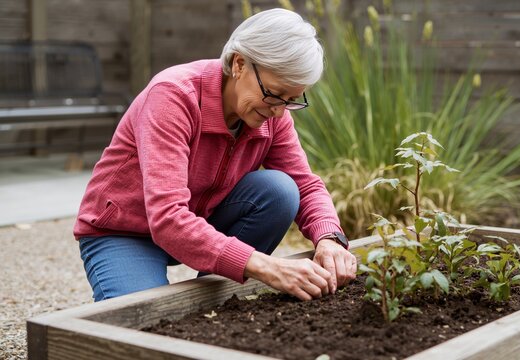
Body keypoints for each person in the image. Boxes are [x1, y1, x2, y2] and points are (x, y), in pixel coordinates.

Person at [74, 8, 357, 302]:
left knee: (280, 190)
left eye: (291, 100)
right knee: (142, 321)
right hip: (126, 231)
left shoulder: (274, 113)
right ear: (239, 64)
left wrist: (329, 239)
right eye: (274, 93)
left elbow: (304, 184)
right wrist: (268, 268)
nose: (278, 110)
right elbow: (168, 217)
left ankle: (219, 297)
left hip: (199, 221)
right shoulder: (172, 97)